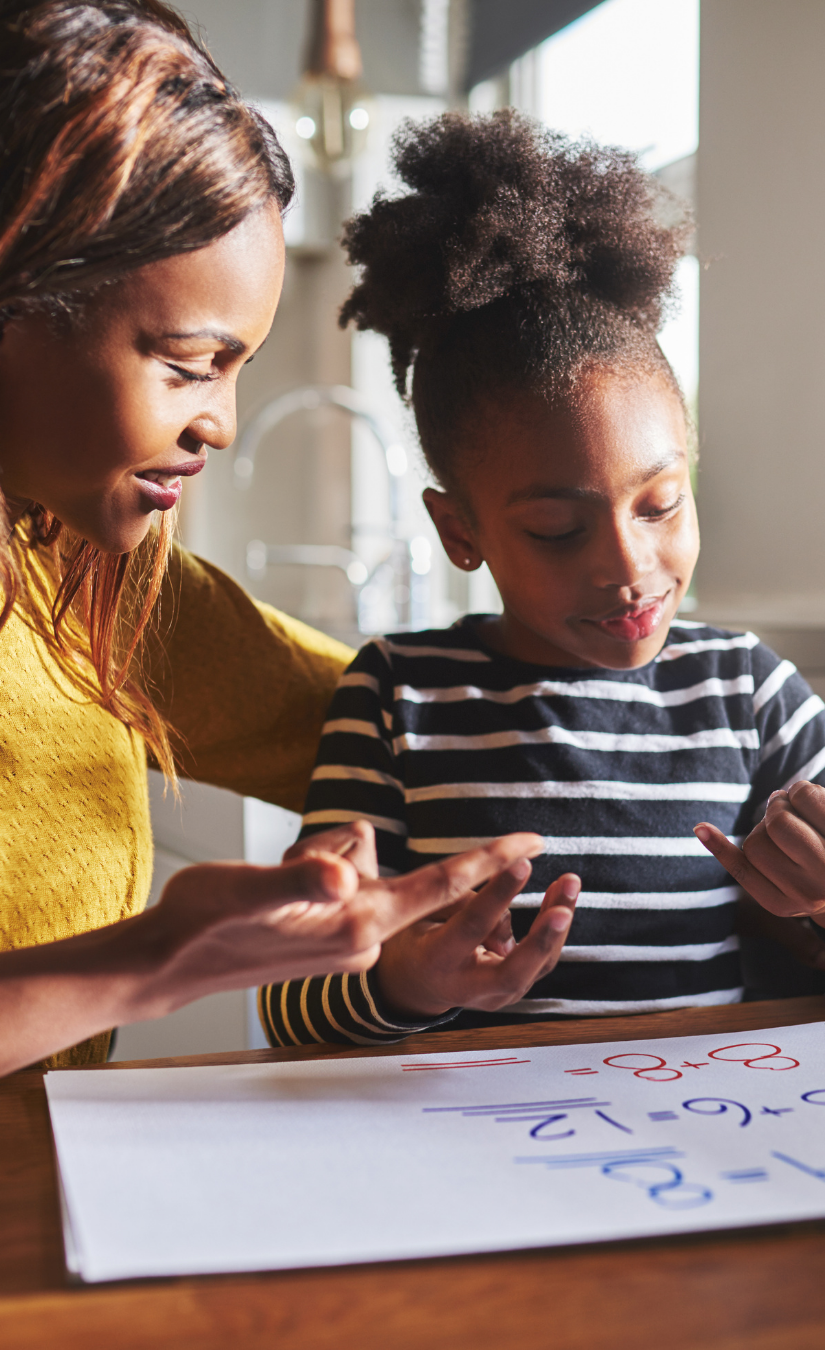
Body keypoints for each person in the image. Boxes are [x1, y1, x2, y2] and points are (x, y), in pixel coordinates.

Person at [0, 3, 576, 1184]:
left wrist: (744, 765)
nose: (221, 427)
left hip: (41, 1232)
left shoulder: (84, 564)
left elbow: (428, 732)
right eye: (190, 364)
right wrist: (147, 963)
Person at [260, 110, 825, 1047]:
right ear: (461, 530)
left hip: (699, 1149)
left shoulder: (748, 690)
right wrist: (402, 980)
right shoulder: (398, 695)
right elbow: (291, 1003)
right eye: (558, 530)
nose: (628, 566)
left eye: (661, 504)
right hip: (472, 1158)